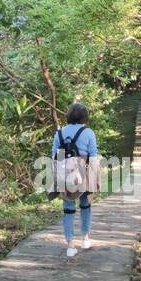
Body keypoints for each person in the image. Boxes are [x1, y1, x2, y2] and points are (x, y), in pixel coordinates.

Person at [52, 103, 100, 258]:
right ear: (84, 117)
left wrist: (58, 179)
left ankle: (70, 245)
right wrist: (96, 179)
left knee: (68, 207)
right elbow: (93, 156)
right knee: (86, 204)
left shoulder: (59, 133)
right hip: (84, 172)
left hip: (65, 175)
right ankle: (85, 238)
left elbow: (55, 157)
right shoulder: (88, 132)